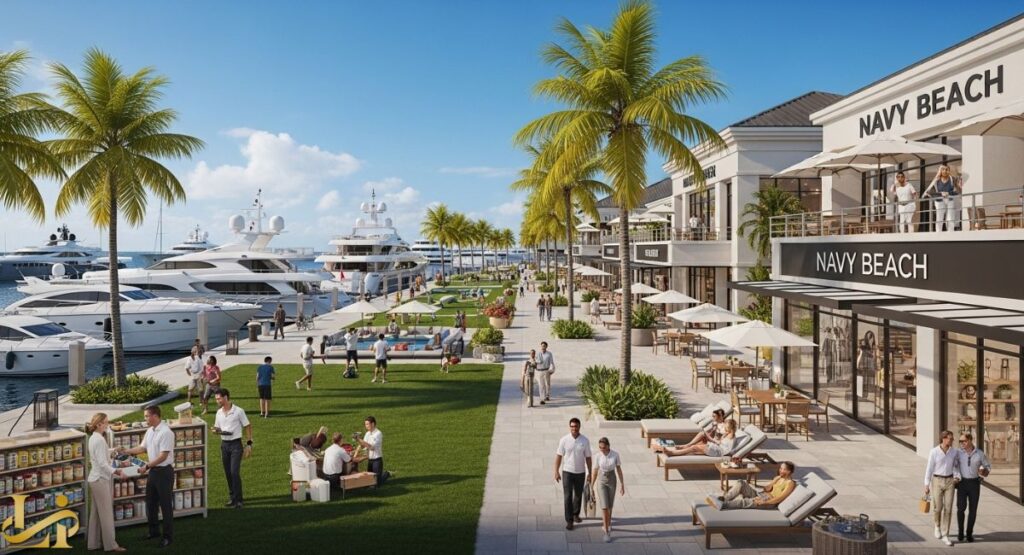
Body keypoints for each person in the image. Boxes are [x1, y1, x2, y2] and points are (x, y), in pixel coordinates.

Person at [118, 405, 174, 548]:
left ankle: (167, 537)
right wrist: (127, 451)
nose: (145, 419)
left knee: (165, 505)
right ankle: (154, 531)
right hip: (154, 472)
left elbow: (163, 456)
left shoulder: (166, 432)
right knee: (151, 502)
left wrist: (147, 466)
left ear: (155, 416)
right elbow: (142, 448)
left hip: (164, 472)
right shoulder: (150, 430)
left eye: (146, 416)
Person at [85, 413, 126, 552]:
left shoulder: (94, 438)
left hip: (95, 479)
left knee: (96, 512)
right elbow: (102, 463)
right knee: (107, 513)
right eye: (106, 422)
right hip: (101, 480)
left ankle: (94, 543)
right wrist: (117, 471)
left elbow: (100, 454)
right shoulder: (99, 440)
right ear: (99, 424)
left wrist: (113, 450)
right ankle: (111, 546)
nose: (108, 424)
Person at [212, 388, 252, 509]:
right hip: (224, 445)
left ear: (225, 397)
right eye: (216, 399)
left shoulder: (239, 411)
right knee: (228, 473)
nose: (217, 401)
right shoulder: (218, 413)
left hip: (236, 445)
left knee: (234, 472)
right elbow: (216, 428)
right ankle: (232, 497)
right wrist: (215, 431)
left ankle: (239, 500)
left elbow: (248, 426)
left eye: (218, 398)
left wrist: (249, 444)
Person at [554, 417, 592, 530]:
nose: (574, 428)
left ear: (579, 427)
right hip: (567, 472)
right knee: (568, 496)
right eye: (572, 426)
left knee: (578, 495)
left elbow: (588, 458)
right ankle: (569, 520)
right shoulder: (564, 440)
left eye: (576, 426)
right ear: (569, 427)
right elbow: (559, 456)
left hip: (580, 472)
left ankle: (576, 514)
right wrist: (556, 471)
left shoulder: (585, 440)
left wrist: (590, 472)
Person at [954, 432, 991, 543]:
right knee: (961, 508)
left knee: (973, 510)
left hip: (974, 484)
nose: (961, 443)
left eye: (964, 441)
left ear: (970, 440)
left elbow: (987, 466)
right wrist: (956, 477)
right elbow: (954, 466)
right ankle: (960, 533)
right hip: (962, 483)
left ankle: (969, 533)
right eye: (960, 441)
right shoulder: (958, 453)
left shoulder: (979, 453)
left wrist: (984, 472)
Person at [925, 430, 960, 546]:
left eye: (952, 439)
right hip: (937, 480)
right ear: (943, 438)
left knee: (948, 509)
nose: (951, 440)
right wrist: (926, 484)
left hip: (950, 481)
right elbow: (929, 468)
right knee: (937, 508)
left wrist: (957, 477)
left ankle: (946, 535)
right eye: (949, 438)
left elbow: (956, 467)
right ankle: (937, 525)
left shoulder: (954, 452)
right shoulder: (934, 452)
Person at [718, 461, 797, 510]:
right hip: (761, 495)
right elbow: (766, 489)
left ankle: (723, 505)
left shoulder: (790, 483)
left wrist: (765, 502)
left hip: (769, 502)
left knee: (744, 502)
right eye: (780, 468)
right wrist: (774, 480)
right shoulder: (778, 478)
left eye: (783, 469)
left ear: (789, 471)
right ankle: (725, 499)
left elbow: (780, 498)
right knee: (740, 482)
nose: (781, 471)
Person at [590, 437, 625, 543]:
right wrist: (591, 486)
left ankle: (608, 524)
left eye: (604, 447)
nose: (602, 450)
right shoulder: (597, 456)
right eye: (600, 447)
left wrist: (622, 484)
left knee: (610, 506)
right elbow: (595, 471)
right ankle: (606, 532)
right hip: (601, 480)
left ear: (608, 446)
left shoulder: (615, 455)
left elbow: (618, 469)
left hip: (612, 480)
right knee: (604, 507)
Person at [657, 419, 737, 457]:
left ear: (730, 428)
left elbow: (727, 450)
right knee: (701, 435)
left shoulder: (732, 436)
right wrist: (718, 439)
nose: (724, 428)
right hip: (716, 446)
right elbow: (721, 442)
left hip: (717, 451)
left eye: (726, 427)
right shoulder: (727, 434)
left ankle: (671, 453)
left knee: (694, 447)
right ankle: (685, 446)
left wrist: (718, 441)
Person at [923, 164, 961, 232]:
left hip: (950, 199)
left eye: (947, 169)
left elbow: (957, 191)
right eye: (943, 169)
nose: (945, 171)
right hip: (939, 200)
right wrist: (941, 193)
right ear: (940, 170)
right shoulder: (936, 180)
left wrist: (948, 193)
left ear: (949, 171)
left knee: (950, 217)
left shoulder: (952, 179)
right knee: (939, 217)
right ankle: (938, 233)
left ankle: (950, 233)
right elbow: (929, 192)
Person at [356, 416, 390, 486]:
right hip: (370, 460)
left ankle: (387, 474)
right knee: (370, 481)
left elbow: (372, 447)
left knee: (377, 483)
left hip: (377, 460)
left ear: (373, 424)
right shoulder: (367, 433)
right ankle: (381, 475)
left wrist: (360, 440)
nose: (366, 426)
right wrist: (358, 441)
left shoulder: (378, 434)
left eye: (367, 424)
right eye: (365, 424)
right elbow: (363, 446)